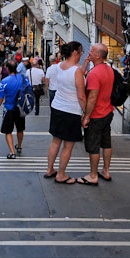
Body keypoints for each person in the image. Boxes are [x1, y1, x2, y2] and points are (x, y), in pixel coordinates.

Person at [44, 42, 87, 184]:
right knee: (68, 145)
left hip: (57, 107)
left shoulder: (59, 66)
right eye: (81, 52)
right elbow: (81, 96)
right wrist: (86, 113)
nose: (82, 54)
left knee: (56, 141)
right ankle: (61, 174)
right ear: (75, 52)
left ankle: (50, 169)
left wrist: (85, 64)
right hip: (71, 110)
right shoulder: (76, 71)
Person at [78, 43, 115, 186]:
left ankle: (93, 175)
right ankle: (106, 170)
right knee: (106, 143)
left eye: (92, 51)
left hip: (97, 115)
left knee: (93, 146)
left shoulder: (94, 74)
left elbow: (92, 98)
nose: (89, 52)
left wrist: (86, 116)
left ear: (98, 55)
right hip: (108, 112)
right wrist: (86, 62)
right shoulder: (109, 70)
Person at [0, 61, 28, 158]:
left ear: (7, 69)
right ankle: (19, 146)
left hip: (9, 108)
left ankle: (12, 152)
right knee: (20, 129)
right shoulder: (23, 78)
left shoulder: (5, 81)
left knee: (8, 131)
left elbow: (0, 98)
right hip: (21, 108)